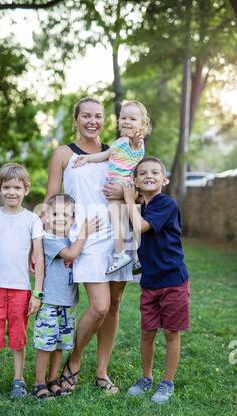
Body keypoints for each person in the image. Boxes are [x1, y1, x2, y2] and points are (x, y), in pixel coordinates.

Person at [41, 97, 138, 395]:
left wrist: (124, 191)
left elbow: (135, 189)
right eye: (86, 116)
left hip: (118, 233)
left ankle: (101, 373)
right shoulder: (62, 154)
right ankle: (74, 361)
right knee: (99, 306)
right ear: (77, 119)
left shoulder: (116, 151)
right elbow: (50, 202)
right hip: (85, 236)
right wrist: (49, 241)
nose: (92, 121)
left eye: (97, 116)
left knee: (114, 306)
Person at [122, 157, 190, 404]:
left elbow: (140, 227)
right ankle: (146, 377)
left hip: (173, 281)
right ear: (136, 181)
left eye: (154, 172)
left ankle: (167, 382)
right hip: (150, 283)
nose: (148, 176)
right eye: (142, 173)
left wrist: (130, 200)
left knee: (171, 332)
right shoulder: (143, 204)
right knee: (147, 332)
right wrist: (131, 199)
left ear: (165, 179)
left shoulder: (165, 204)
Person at [0, 163, 44, 401]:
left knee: (18, 334)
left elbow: (38, 257)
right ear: (0, 188)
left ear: (26, 189)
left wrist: (37, 292)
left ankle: (18, 378)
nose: (11, 192)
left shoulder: (32, 219)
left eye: (17, 187)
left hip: (20, 289)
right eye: (7, 187)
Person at [32, 193, 101, 399]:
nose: (60, 218)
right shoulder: (49, 239)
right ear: (46, 215)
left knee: (61, 344)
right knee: (46, 345)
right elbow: (71, 255)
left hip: (68, 302)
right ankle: (39, 383)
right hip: (50, 302)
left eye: (66, 215)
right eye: (55, 213)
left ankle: (53, 380)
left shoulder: (68, 238)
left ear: (72, 219)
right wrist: (84, 234)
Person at [73, 100, 151, 275]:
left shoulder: (134, 142)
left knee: (118, 220)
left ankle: (120, 255)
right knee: (127, 222)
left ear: (142, 124)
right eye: (123, 118)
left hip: (122, 185)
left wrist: (136, 138)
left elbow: (136, 144)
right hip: (121, 186)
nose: (126, 122)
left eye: (132, 119)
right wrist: (87, 158)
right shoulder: (120, 142)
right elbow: (106, 155)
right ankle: (136, 257)